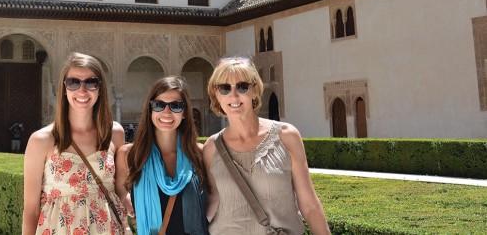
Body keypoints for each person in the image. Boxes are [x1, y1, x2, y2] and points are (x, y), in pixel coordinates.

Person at [203, 57, 330, 235]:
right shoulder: (211, 148)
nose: (233, 95)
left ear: (255, 90)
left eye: (242, 87)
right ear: (216, 94)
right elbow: (210, 202)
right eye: (224, 88)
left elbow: (309, 206)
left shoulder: (286, 137)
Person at [23, 52, 126, 235]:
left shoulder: (114, 133)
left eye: (91, 82)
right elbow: (30, 210)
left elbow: (120, 193)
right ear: (64, 88)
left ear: (100, 88)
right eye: (74, 82)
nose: (82, 91)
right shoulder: (42, 140)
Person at [115, 76, 208, 235]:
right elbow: (115, 201)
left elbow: (215, 201)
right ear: (150, 110)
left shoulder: (199, 154)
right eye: (159, 105)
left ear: (185, 112)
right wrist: (131, 217)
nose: (167, 112)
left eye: (176, 106)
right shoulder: (130, 156)